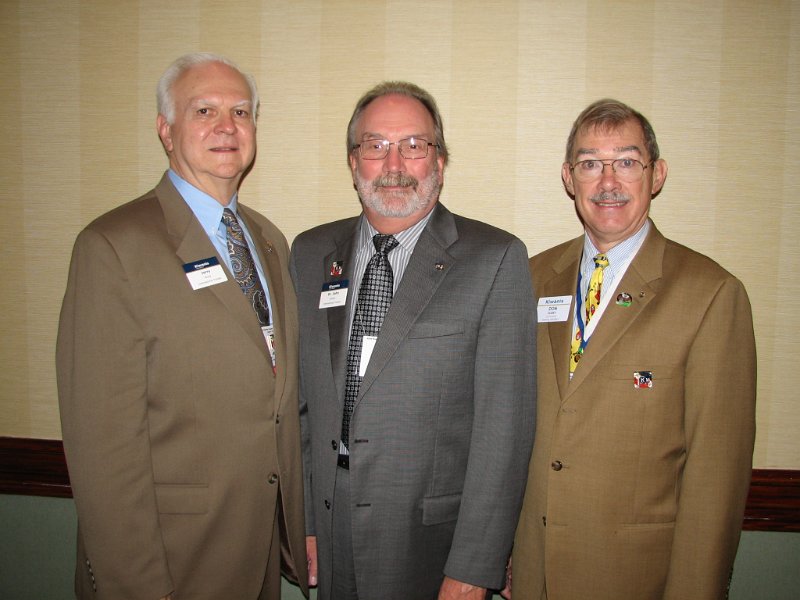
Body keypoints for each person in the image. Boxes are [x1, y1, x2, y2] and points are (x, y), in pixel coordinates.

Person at [56, 53, 307, 600]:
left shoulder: (268, 241)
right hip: (168, 561)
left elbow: (276, 398)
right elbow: (103, 447)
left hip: (256, 551)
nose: (227, 126)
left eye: (241, 111)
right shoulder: (114, 246)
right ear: (166, 131)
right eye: (204, 110)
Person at [290, 81, 536, 600]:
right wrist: (304, 520)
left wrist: (475, 566)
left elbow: (504, 431)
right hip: (330, 530)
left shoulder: (494, 259)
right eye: (375, 145)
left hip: (431, 543)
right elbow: (301, 407)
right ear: (353, 162)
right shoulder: (310, 253)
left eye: (414, 145)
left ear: (440, 163)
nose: (394, 164)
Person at [509, 99, 756, 599]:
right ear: (568, 177)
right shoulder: (529, 278)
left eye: (626, 161)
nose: (608, 182)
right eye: (590, 164)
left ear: (656, 174)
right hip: (534, 572)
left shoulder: (710, 293)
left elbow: (716, 475)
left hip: (639, 579)